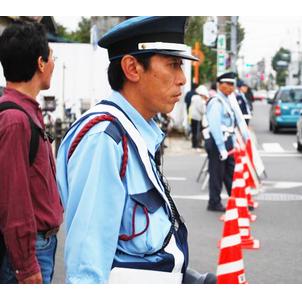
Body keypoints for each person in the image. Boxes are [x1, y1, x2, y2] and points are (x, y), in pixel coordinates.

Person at [56, 16, 201, 284]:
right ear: (132, 68)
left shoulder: (136, 131)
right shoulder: (105, 139)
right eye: (173, 64)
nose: (181, 79)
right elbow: (87, 267)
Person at [0, 21, 63, 284]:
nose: (54, 63)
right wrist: (26, 266)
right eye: (52, 57)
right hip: (31, 251)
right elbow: (13, 200)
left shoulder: (24, 111)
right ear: (40, 63)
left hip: (40, 245)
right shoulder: (15, 119)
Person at [203, 72, 249, 212]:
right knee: (217, 173)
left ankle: (235, 199)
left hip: (227, 140)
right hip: (218, 142)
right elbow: (215, 126)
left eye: (232, 84)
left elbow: (233, 123)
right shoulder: (216, 102)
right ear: (220, 85)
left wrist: (235, 140)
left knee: (230, 172)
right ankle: (214, 202)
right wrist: (222, 147)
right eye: (228, 84)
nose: (231, 87)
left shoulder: (227, 100)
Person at [188, 85, 209, 149]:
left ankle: (194, 144)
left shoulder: (193, 97)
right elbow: (201, 109)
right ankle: (196, 145)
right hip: (197, 117)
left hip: (192, 116)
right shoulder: (199, 99)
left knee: (194, 131)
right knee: (197, 131)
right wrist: (204, 112)